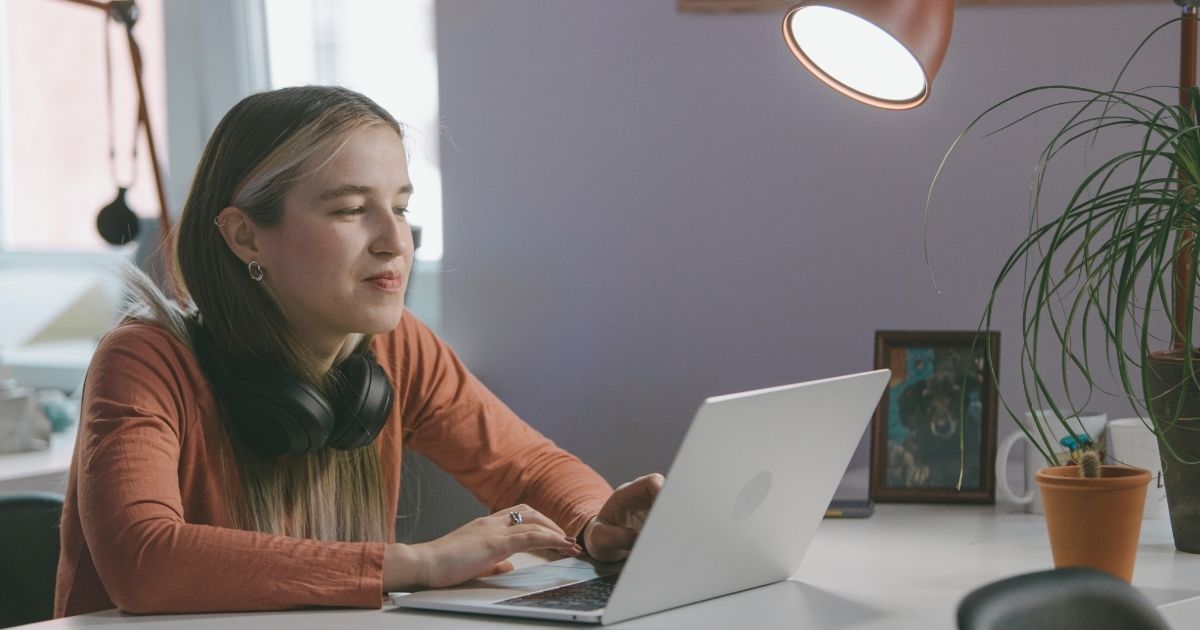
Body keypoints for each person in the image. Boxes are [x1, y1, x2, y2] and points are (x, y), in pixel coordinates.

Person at [54, 85, 663, 617]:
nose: (396, 241)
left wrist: (594, 523)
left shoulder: (397, 350)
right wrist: (416, 563)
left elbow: (529, 467)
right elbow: (145, 561)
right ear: (246, 237)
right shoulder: (145, 363)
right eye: (350, 209)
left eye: (400, 207)